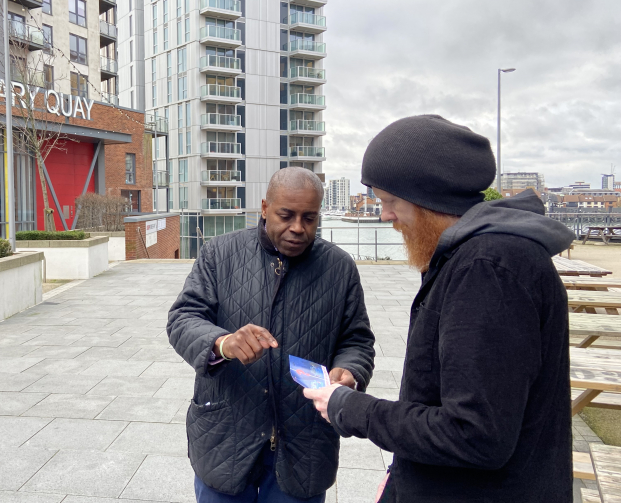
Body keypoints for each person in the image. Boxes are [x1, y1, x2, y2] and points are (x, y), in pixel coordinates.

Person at [304, 115, 575, 503]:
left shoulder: (487, 268)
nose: (384, 215)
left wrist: (351, 408)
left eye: (390, 201)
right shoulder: (476, 257)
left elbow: (474, 434)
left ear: (428, 199)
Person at [168, 167, 376, 502]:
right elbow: (183, 318)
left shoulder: (340, 268)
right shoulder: (219, 254)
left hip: (303, 447)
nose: (298, 227)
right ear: (264, 208)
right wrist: (223, 343)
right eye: (286, 215)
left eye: (309, 218)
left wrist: (349, 372)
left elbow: (357, 340)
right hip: (225, 438)